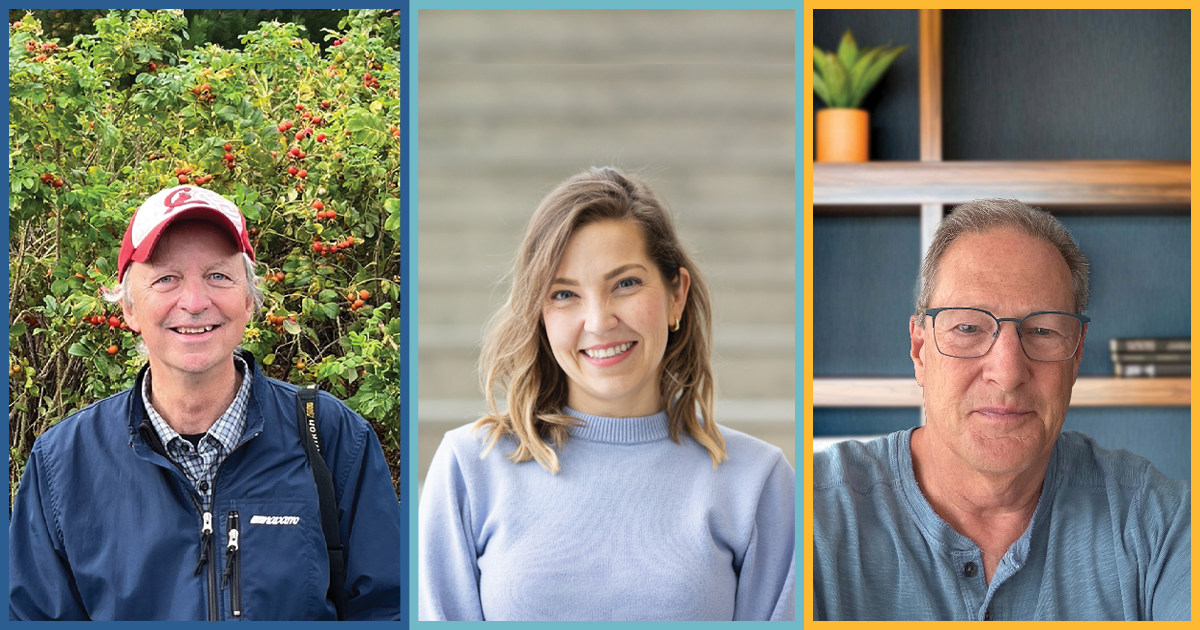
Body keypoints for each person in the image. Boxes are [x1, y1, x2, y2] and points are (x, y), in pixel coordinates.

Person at [8, 185, 404, 620]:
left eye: (218, 275)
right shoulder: (62, 464)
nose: (195, 303)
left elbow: (387, 609)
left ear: (249, 299)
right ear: (129, 308)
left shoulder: (331, 437)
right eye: (166, 279)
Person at [418, 167, 795, 621]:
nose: (598, 321)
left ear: (676, 295)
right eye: (563, 294)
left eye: (626, 284)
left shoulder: (758, 481)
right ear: (539, 314)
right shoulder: (469, 468)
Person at [813, 198, 1191, 621]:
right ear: (920, 350)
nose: (1008, 373)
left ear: (1077, 355)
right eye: (969, 328)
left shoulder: (1158, 522)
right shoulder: (813, 514)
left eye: (1043, 330)